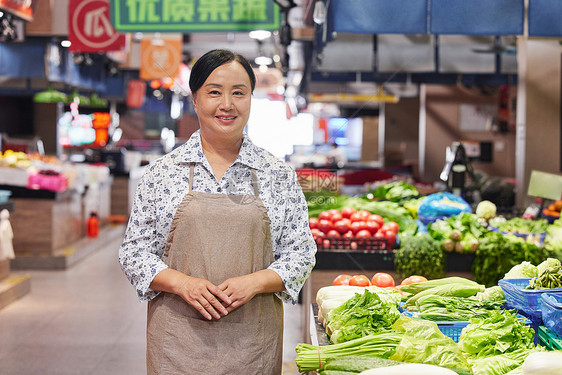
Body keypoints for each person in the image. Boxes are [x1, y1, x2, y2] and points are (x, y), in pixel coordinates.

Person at [118, 49, 316, 375]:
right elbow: (134, 253)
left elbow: (301, 252)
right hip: (178, 342)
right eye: (214, 92)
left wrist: (253, 283)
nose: (227, 104)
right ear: (195, 100)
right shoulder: (162, 173)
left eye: (238, 92)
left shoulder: (277, 174)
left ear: (251, 99)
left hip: (253, 341)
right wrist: (183, 284)